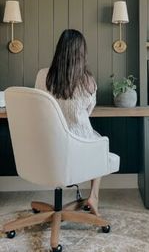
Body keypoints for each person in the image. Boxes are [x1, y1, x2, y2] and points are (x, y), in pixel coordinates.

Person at [35, 29, 101, 216]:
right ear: (82, 53)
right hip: (78, 149)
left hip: (49, 147)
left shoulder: (42, 76)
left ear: (59, 50)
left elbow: (39, 106)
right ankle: (93, 196)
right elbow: (88, 113)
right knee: (100, 143)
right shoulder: (88, 81)